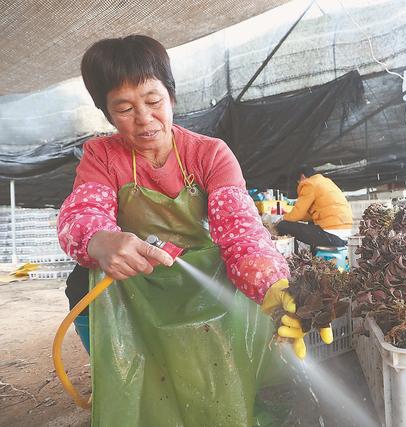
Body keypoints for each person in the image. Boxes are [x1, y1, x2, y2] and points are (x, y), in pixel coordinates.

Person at [57, 35, 326, 426]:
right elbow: (83, 213)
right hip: (134, 279)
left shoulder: (209, 153)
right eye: (125, 108)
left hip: (203, 277)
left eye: (153, 101)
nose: (145, 118)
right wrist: (100, 240)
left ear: (172, 96)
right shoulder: (102, 155)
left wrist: (271, 285)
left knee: (241, 321)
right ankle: (125, 377)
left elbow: (239, 230)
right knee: (81, 286)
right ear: (107, 113)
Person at [276, 166, 353, 248]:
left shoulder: (309, 184)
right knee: (311, 222)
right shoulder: (325, 182)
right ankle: (312, 254)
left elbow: (297, 214)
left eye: (298, 181)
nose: (299, 184)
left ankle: (292, 257)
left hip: (331, 234)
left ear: (302, 176)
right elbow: (310, 215)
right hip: (345, 233)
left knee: (283, 225)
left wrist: (281, 218)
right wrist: (295, 216)